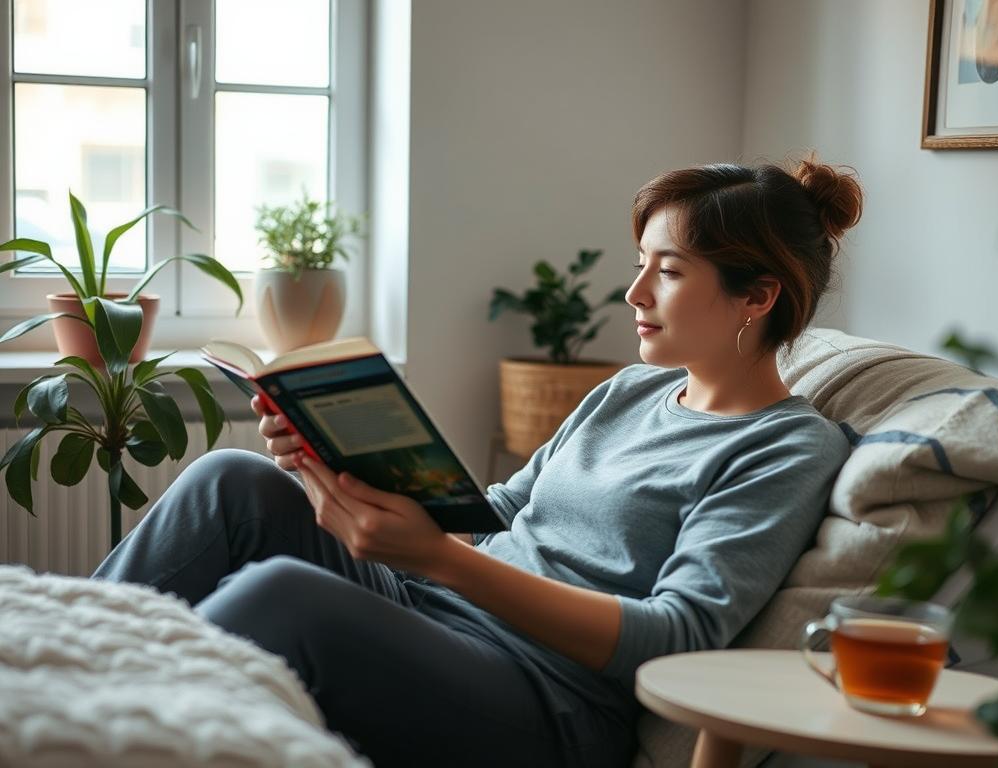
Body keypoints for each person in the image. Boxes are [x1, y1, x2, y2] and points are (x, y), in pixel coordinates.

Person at [92, 154, 862, 768]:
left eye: (667, 271)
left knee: (283, 595)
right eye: (640, 262)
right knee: (237, 482)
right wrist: (335, 464)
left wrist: (443, 562)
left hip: (546, 698)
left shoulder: (786, 446)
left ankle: (89, 743)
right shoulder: (625, 392)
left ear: (756, 297)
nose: (632, 292)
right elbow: (496, 513)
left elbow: (676, 634)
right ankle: (41, 680)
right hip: (437, 610)